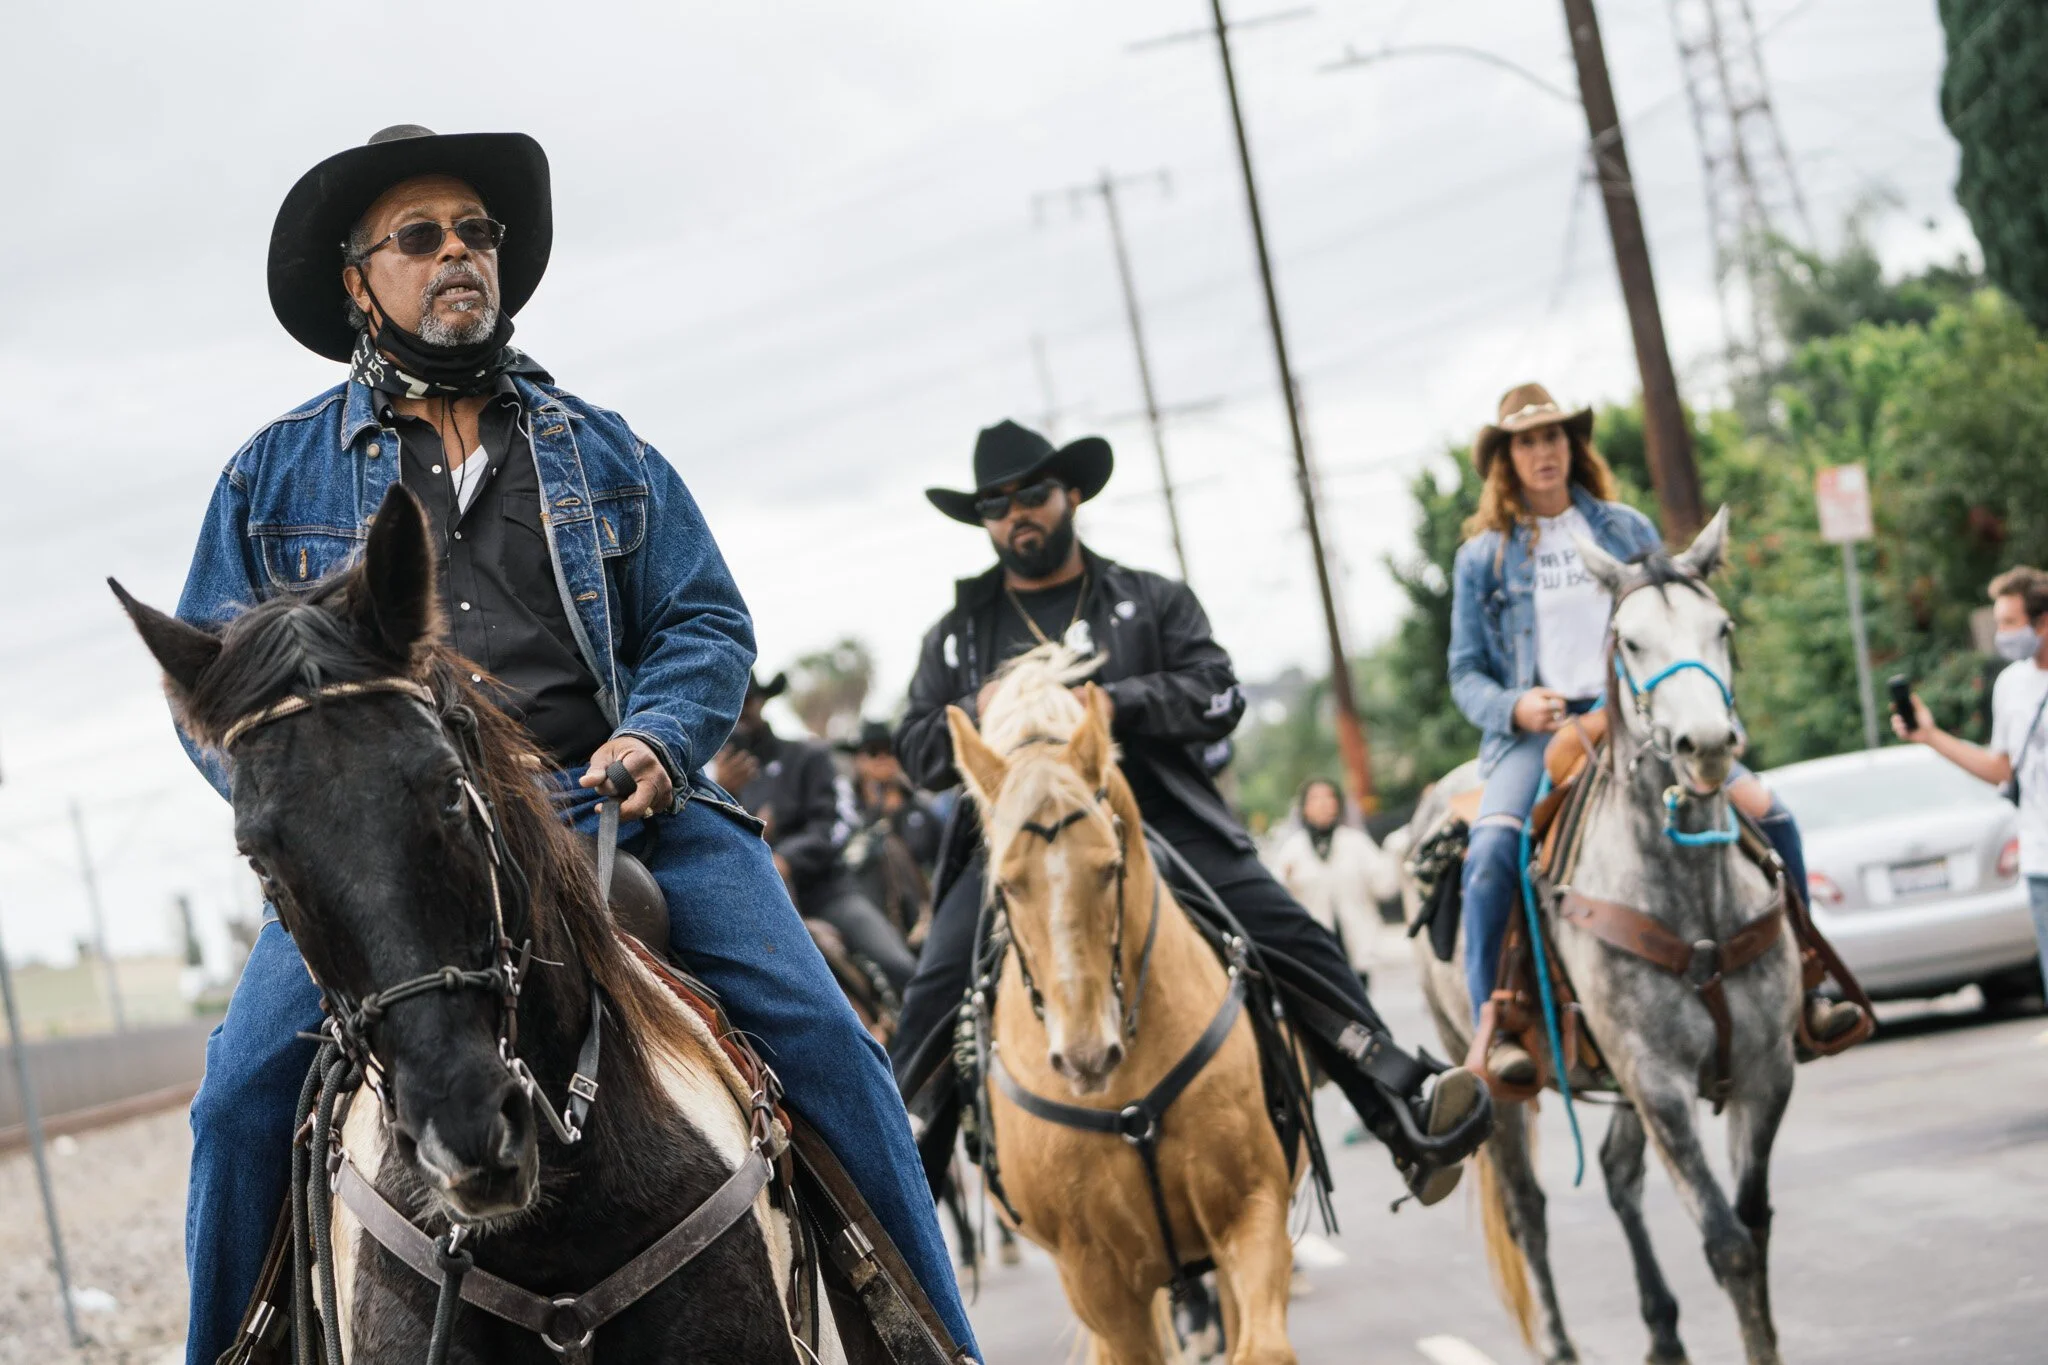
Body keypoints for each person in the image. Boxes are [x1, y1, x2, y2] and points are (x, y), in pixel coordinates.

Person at [171, 126, 978, 1363]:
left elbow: (705, 619)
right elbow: (223, 696)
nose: (459, 256)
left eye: (476, 234)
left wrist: (659, 736)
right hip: (390, 846)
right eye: (422, 237)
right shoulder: (267, 482)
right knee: (233, 1107)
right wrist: (331, 817)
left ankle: (925, 1338)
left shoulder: (601, 449)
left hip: (615, 801)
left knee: (830, 1044)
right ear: (357, 281)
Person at [890, 419, 1491, 1206]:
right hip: (1020, 847)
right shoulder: (957, 636)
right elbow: (913, 747)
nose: (1016, 515)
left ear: (1071, 494)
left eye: (1031, 495)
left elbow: (1220, 689)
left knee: (1284, 927)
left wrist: (1112, 702)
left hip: (1156, 819)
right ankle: (895, 1202)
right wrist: (983, 705)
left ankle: (1400, 1104)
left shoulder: (1147, 598)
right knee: (937, 988)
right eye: (996, 505)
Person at [1449, 383, 1863, 1085]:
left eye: (1553, 437)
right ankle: (1496, 1021)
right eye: (1527, 441)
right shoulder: (1482, 558)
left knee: (1775, 816)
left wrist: (1713, 719)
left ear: (1571, 446)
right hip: (1540, 732)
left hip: (1640, 718)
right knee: (1491, 851)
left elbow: (1680, 628)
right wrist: (1515, 707)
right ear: (1506, 458)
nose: (1543, 452)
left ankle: (1810, 984)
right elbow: (1464, 673)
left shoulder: (1624, 529)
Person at [1894, 565, 2048, 995]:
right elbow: (2002, 770)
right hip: (2041, 864)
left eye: (2009, 623)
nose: (2001, 634)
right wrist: (1930, 737)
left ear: (2043, 621)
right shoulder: (2011, 685)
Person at [710, 674, 919, 990]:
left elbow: (834, 826)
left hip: (825, 892)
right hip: (758, 901)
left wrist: (786, 858)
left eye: (747, 702)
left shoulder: (807, 756)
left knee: (899, 965)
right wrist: (721, 791)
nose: (740, 714)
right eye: (732, 705)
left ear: (761, 702)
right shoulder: (713, 778)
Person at [1267, 777, 1401, 994]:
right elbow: (1277, 899)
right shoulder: (1293, 850)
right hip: (1316, 953)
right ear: (1304, 808)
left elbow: (1385, 887)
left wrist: (1395, 851)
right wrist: (1285, 879)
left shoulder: (1355, 843)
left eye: (1329, 796)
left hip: (1356, 950)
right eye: (1315, 798)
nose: (1323, 803)